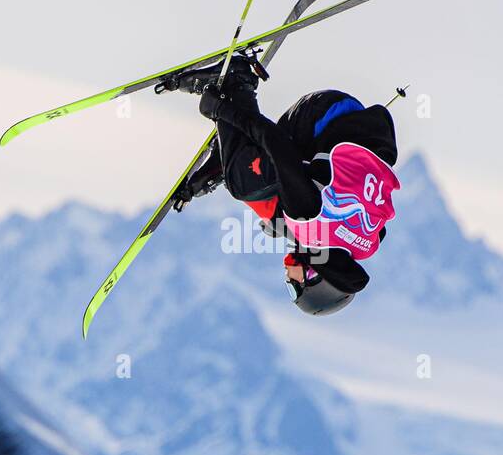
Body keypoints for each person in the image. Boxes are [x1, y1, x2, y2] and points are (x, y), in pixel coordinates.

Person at [166, 55, 400, 315]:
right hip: (320, 114)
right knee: (245, 187)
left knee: (280, 214)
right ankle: (236, 83)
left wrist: (285, 226)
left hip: (356, 123)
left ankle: (232, 154)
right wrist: (221, 108)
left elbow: (357, 218)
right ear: (312, 276)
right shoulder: (311, 219)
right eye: (293, 286)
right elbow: (276, 142)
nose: (287, 276)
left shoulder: (363, 246)